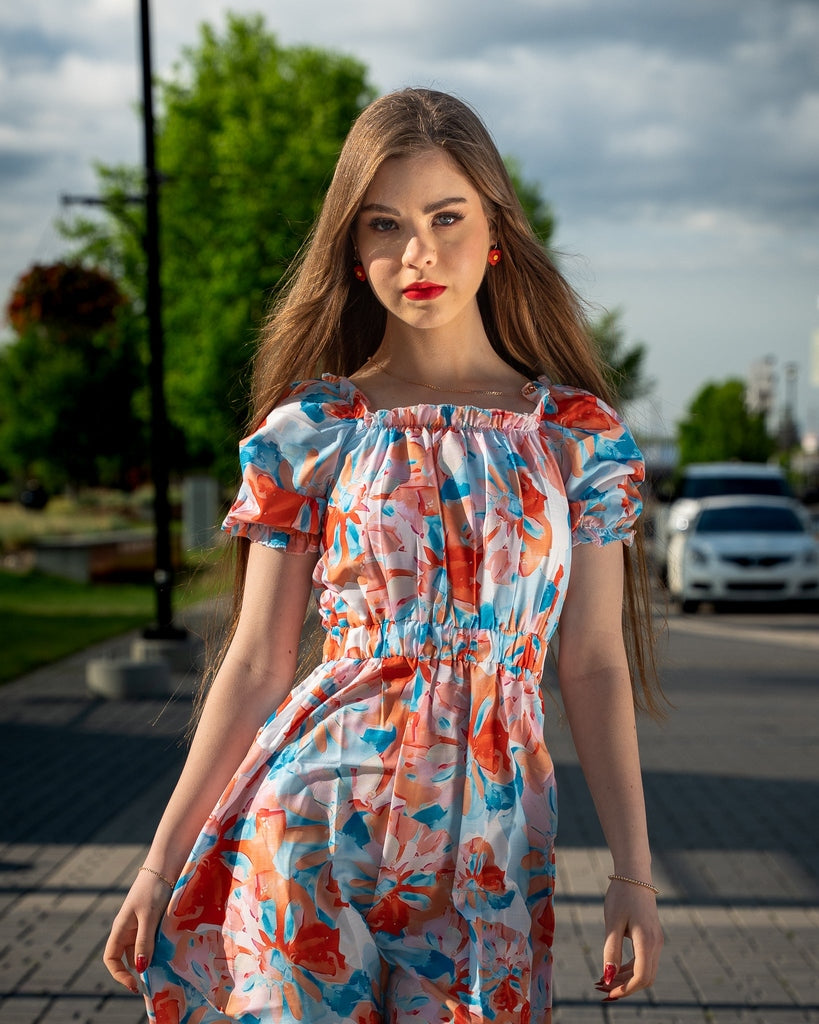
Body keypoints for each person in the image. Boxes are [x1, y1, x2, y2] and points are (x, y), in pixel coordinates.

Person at [104, 87, 664, 1023]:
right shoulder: (315, 429)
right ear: (354, 251)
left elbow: (594, 663)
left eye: (446, 218)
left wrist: (633, 873)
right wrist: (159, 864)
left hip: (491, 852)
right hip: (311, 828)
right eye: (384, 225)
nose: (417, 253)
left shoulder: (576, 437)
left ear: (496, 231)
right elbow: (256, 660)